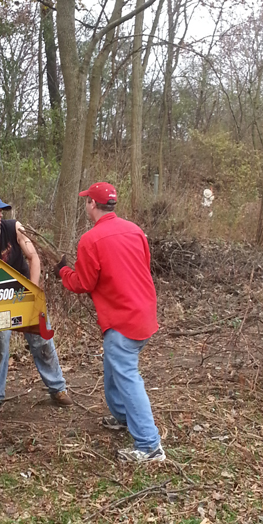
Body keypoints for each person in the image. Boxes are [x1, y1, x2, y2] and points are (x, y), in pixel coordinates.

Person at [54, 182, 165, 463]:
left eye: (86, 201)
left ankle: (149, 445)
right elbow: (142, 265)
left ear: (92, 204)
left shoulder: (91, 240)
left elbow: (84, 282)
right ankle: (125, 418)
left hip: (122, 319)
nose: (85, 205)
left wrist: (64, 272)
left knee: (127, 377)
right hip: (144, 313)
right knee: (114, 371)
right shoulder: (135, 230)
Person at [0, 192, 72, 422]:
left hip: (25, 291)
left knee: (42, 339)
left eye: (1, 210)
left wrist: (33, 294)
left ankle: (58, 388)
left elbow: (33, 257)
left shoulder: (14, 227)